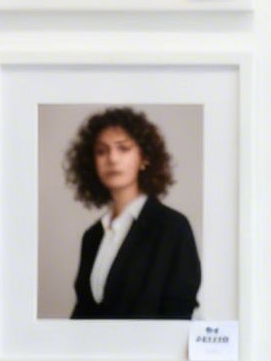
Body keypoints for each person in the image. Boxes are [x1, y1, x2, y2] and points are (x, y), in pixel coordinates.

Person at [63, 108, 201, 319]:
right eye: (101, 151)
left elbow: (179, 313)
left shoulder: (172, 227)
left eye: (124, 148)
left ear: (144, 158)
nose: (112, 159)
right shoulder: (92, 237)